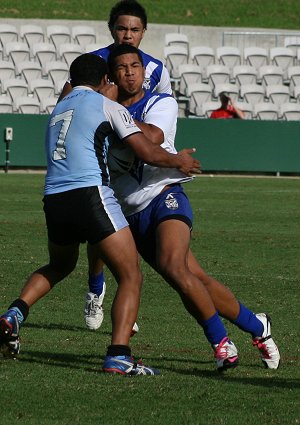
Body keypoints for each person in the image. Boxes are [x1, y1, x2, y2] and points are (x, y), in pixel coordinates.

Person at [0, 53, 200, 376]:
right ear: (106, 80)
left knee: (60, 264)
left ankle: (14, 314)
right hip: (91, 195)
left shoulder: (57, 110)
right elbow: (146, 149)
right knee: (131, 275)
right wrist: (179, 162)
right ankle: (119, 355)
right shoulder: (108, 106)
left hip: (53, 198)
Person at [91, 44, 280, 370]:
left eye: (135, 65)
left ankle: (221, 344)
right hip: (131, 211)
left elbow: (151, 139)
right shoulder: (103, 111)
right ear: (112, 75)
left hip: (165, 194)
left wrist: (111, 116)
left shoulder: (159, 101)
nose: (130, 73)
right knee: (194, 278)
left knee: (174, 266)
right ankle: (257, 326)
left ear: (142, 69)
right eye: (121, 68)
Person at [59, 0, 172, 103]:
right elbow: (63, 108)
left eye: (134, 30)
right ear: (111, 29)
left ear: (143, 32)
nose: (128, 36)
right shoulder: (90, 63)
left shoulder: (157, 69)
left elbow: (168, 109)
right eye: (122, 29)